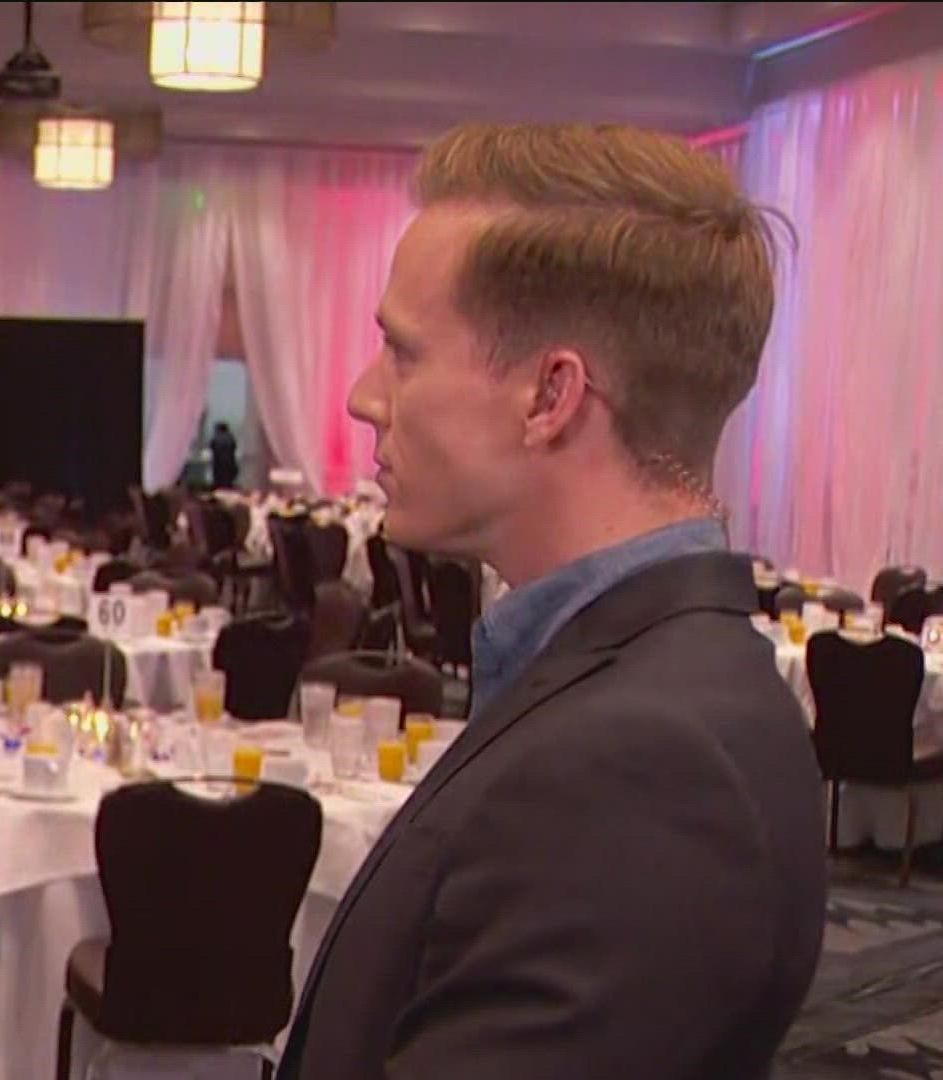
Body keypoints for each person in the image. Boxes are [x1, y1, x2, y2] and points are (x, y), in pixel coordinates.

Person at [276, 123, 825, 1079]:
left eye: (402, 353)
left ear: (550, 396)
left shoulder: (646, 763)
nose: (366, 397)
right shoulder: (638, 685)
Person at [208, 420, 239, 490]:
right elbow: (234, 447)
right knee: (228, 482)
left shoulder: (216, 438)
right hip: (230, 463)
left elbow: (211, 447)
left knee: (219, 482)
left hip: (218, 463)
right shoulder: (231, 438)